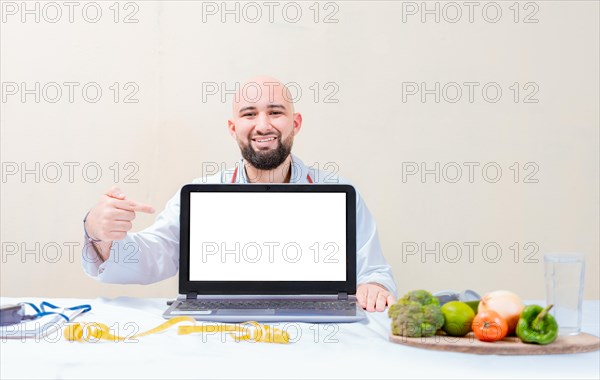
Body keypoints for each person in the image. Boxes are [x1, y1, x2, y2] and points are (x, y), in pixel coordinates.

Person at [82, 76, 397, 312]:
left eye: (275, 112)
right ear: (233, 128)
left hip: (318, 331)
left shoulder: (339, 193)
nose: (262, 125)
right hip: (220, 330)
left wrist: (374, 286)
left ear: (295, 123)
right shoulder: (200, 194)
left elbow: (374, 271)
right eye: (249, 114)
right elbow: (153, 254)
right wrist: (99, 233)